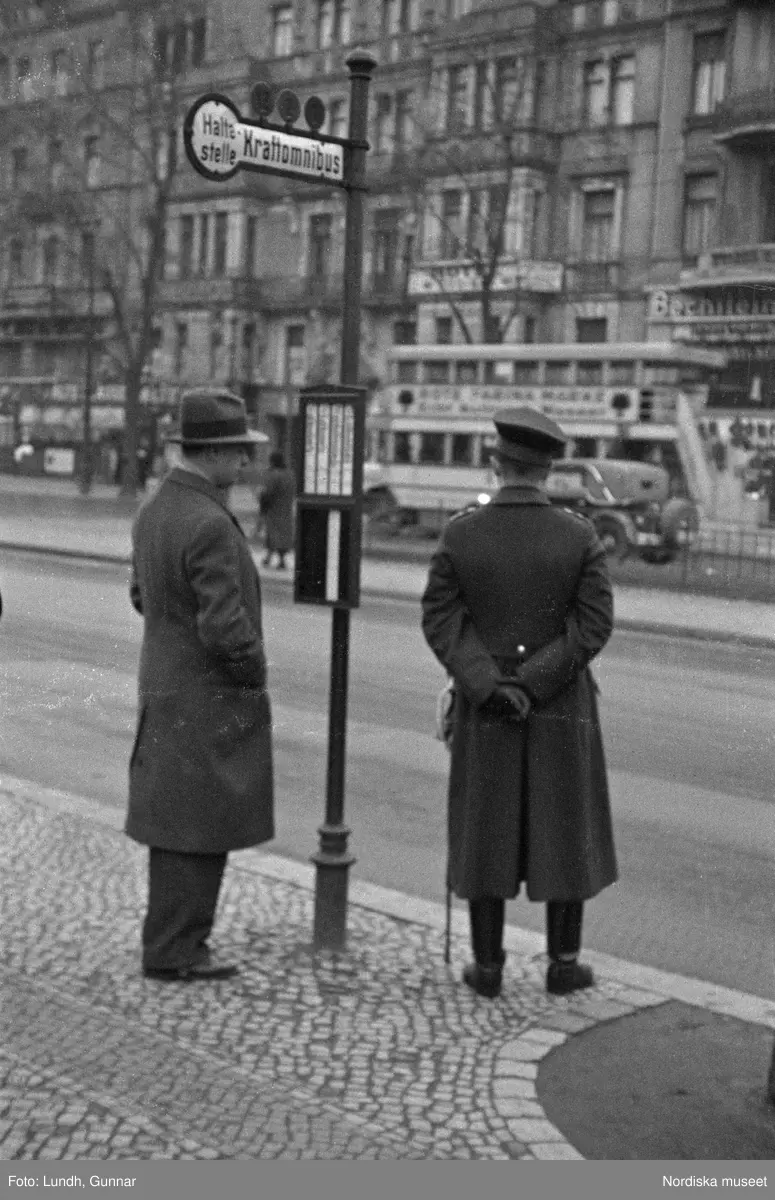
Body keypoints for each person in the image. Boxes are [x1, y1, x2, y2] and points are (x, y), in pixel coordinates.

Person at [421, 407, 617, 1000]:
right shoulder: (578, 534)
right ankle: (563, 964)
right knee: (565, 823)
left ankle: (486, 968)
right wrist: (535, 682)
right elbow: (594, 625)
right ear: (549, 469)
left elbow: (440, 617)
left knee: (487, 826)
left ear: (496, 463)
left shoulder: (461, 532)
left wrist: (490, 685)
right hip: (560, 699)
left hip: (489, 704)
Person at [127, 387, 274, 982]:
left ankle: (171, 943)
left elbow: (141, 596)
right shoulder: (209, 521)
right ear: (211, 453)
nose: (244, 463)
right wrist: (254, 672)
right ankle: (177, 951)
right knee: (201, 825)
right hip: (207, 696)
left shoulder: (156, 507)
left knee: (177, 821)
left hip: (163, 684)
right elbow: (225, 627)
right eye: (238, 451)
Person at [258, 451, 295, 569]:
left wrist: (262, 504)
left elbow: (267, 492)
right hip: (286, 509)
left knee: (272, 533)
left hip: (274, 509)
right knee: (284, 535)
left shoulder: (273, 474)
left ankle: (269, 557)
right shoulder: (290, 474)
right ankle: (281, 560)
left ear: (272, 461)